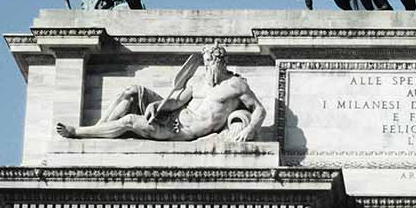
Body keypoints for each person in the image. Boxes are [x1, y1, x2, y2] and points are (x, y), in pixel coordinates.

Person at [57, 43, 266, 141]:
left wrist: (250, 129)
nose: (208, 66)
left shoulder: (236, 85)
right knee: (133, 90)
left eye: (212, 61)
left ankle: (78, 132)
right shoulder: (198, 81)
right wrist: (157, 105)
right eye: (206, 61)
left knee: (129, 121)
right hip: (173, 115)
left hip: (181, 131)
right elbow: (177, 101)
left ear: (221, 62)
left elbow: (259, 110)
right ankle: (98, 130)